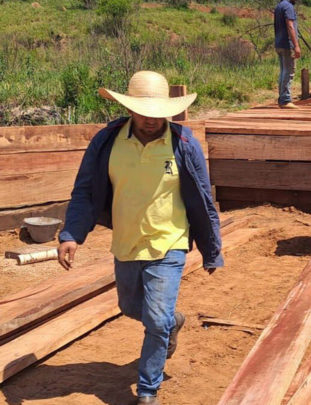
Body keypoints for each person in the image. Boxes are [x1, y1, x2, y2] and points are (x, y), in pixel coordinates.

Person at [57, 71, 223, 405]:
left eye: (158, 112)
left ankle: (148, 391)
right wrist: (72, 233)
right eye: (143, 112)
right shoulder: (107, 142)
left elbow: (203, 197)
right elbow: (86, 190)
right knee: (132, 308)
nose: (151, 119)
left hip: (169, 242)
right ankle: (172, 322)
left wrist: (211, 249)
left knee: (156, 320)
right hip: (127, 243)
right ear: (129, 109)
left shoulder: (183, 143)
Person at [274, 0, 301, 109]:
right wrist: (296, 46)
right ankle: (285, 100)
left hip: (279, 43)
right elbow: (290, 26)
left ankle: (282, 99)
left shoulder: (279, 6)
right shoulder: (288, 7)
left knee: (283, 71)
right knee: (289, 71)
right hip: (287, 44)